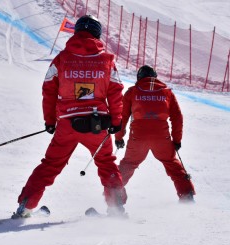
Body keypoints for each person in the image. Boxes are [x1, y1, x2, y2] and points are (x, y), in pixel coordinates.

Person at [13, 15, 127, 218]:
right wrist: (116, 121)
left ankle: (25, 207)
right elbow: (116, 92)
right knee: (107, 163)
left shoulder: (62, 59)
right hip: (97, 124)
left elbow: (48, 89)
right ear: (97, 32)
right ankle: (116, 208)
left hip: (67, 124)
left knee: (50, 165)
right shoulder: (107, 60)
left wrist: (49, 121)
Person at [114, 65, 196, 202]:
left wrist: (119, 137)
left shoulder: (133, 91)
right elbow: (177, 117)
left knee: (128, 163)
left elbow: (122, 116)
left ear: (139, 78)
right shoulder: (167, 92)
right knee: (171, 163)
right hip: (161, 136)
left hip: (138, 136)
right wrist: (177, 140)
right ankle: (187, 195)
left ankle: (114, 198)